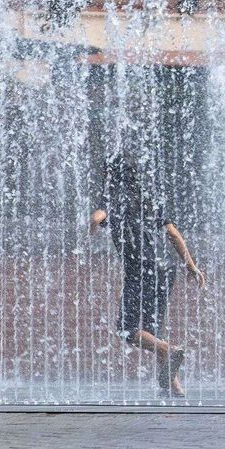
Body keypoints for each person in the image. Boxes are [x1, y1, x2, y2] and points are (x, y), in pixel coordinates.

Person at [89, 151, 205, 397]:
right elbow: (173, 234)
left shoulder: (113, 196)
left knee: (126, 328)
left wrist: (91, 226)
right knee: (153, 329)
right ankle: (172, 386)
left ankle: (169, 350)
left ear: (110, 173)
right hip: (166, 268)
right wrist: (191, 266)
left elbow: (98, 216)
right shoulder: (147, 198)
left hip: (139, 270)